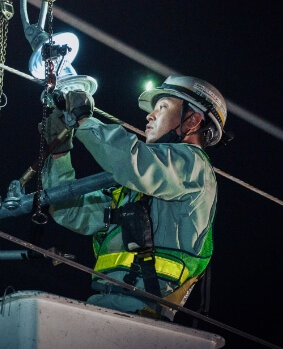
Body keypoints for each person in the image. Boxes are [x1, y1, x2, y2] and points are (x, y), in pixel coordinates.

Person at [41, 75, 231, 321]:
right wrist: (59, 154)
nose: (149, 116)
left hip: (145, 317)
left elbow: (132, 161)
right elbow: (72, 212)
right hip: (101, 308)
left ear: (193, 120)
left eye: (162, 107)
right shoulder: (135, 189)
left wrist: (84, 119)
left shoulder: (194, 167)